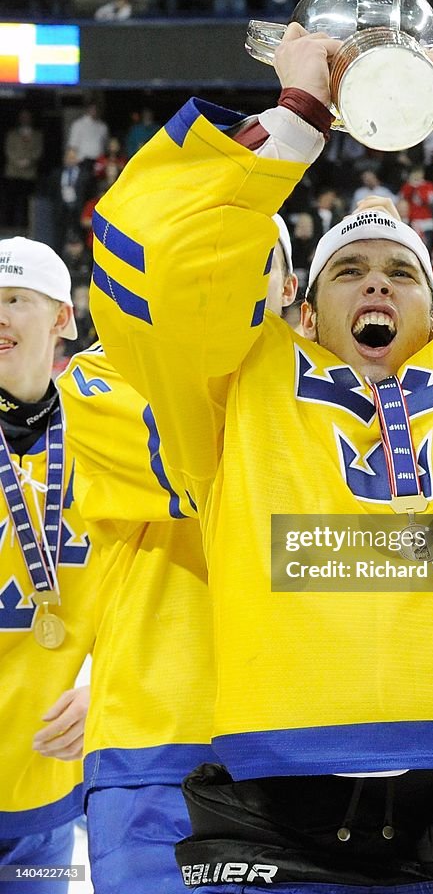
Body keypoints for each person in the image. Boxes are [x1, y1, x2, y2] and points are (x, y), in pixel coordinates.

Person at [90, 24, 433, 893]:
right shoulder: (233, 391)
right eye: (347, 270)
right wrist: (294, 118)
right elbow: (159, 266)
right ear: (305, 313)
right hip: (275, 829)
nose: (376, 283)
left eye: (400, 270)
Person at [57, 216, 297, 894]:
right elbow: (220, 475)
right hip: (154, 741)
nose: (232, 278)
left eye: (257, 261)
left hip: (303, 745)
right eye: (214, 262)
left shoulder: (329, 393)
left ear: (289, 288)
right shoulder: (101, 375)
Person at [0, 237, 94, 894]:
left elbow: (152, 593)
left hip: (46, 779)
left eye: (14, 300)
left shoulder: (110, 434)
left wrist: (111, 688)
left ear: (63, 318)